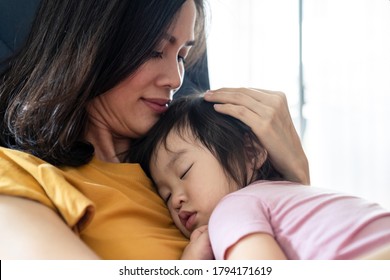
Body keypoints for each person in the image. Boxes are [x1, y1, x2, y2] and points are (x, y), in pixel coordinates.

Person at [0, 0, 309, 259]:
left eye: (182, 57)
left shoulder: (200, 166)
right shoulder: (18, 175)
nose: (176, 80)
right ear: (89, 46)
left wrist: (294, 177)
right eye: (155, 51)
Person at [128, 93, 390, 260]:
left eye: (184, 171)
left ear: (251, 152)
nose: (176, 201)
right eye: (166, 195)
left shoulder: (232, 208)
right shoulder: (285, 198)